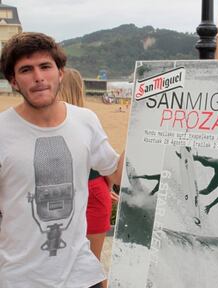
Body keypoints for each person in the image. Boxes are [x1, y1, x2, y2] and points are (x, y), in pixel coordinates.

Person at [0, 32, 124, 288]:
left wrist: (149, 122)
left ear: (60, 72)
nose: (38, 77)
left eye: (45, 66)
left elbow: (119, 174)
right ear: (13, 81)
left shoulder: (85, 120)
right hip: (20, 278)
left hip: (81, 274)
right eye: (26, 70)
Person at [58, 67, 119, 288]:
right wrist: (108, 186)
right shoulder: (87, 121)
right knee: (91, 264)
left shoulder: (58, 122)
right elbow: (108, 166)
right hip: (94, 190)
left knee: (86, 267)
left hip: (81, 193)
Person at [176, 147, 218, 214]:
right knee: (207, 191)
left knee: (204, 160)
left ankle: (189, 155)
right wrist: (210, 206)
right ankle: (197, 193)